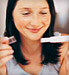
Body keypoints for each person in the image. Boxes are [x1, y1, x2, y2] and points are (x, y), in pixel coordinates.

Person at [0, 0, 69, 75]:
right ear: (11, 15)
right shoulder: (2, 49)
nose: (35, 23)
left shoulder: (64, 45)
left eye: (43, 13)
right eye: (26, 13)